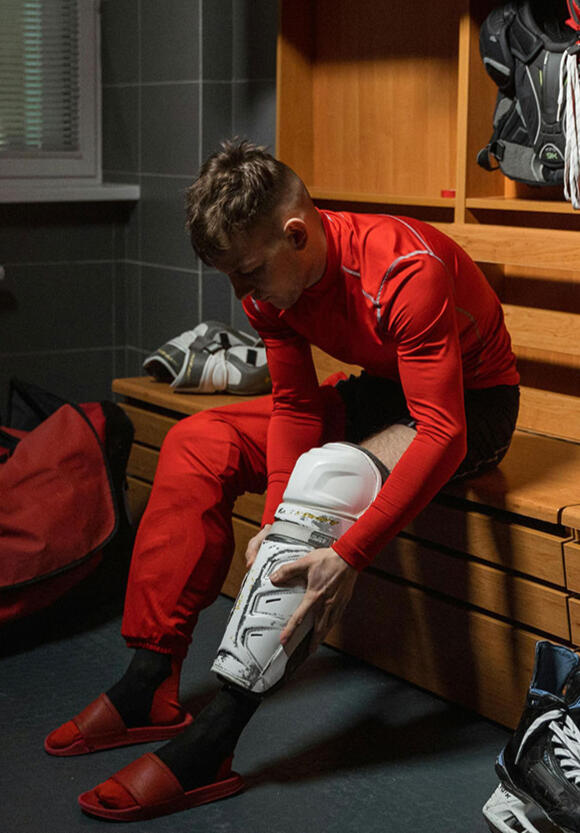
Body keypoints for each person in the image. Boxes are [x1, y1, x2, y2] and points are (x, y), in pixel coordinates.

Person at [45, 139, 520, 821]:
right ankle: (150, 675)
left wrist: (349, 552)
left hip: (472, 407)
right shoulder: (274, 286)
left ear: (296, 234)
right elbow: (295, 404)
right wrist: (273, 516)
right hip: (382, 391)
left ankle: (216, 737)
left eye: (249, 273)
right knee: (197, 440)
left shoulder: (401, 270)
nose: (244, 297)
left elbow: (443, 430)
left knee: (327, 478)